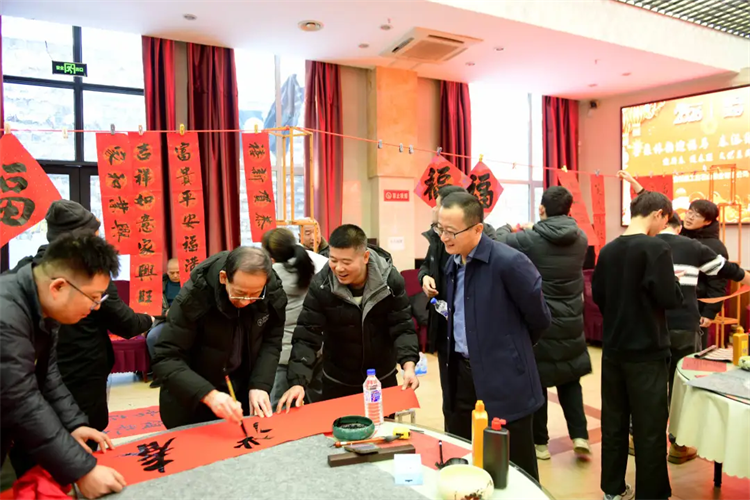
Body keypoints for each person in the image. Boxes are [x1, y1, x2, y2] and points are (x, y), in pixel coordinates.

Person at [5, 200, 153, 441]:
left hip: (50, 381)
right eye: (93, 299)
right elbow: (125, 323)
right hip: (82, 371)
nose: (96, 305)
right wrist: (150, 319)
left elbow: (46, 379)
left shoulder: (28, 270)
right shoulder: (85, 275)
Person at [1, 234, 127, 499]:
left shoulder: (40, 306)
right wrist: (82, 470)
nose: (95, 307)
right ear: (58, 287)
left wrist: (73, 424)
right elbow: (19, 400)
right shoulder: (6, 317)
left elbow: (46, 374)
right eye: (93, 297)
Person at [437, 192, 551, 481]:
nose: (444, 237)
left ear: (477, 228)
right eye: (440, 229)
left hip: (504, 378)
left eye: (451, 231)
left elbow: (539, 318)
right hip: (461, 376)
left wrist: (510, 349)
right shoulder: (452, 263)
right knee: (467, 458)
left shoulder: (509, 263)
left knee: (515, 468)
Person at [593, 190, 683, 500]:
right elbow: (669, 297)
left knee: (614, 423)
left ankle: (613, 490)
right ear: (658, 214)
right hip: (647, 351)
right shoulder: (656, 248)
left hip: (614, 349)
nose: (663, 228)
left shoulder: (608, 250)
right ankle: (651, 494)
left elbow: (599, 296)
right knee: (650, 428)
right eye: (665, 221)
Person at [494, 186, 592, 460]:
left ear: (541, 208)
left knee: (537, 382)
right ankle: (580, 435)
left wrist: (510, 225)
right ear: (569, 209)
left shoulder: (531, 239)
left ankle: (540, 444)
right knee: (570, 379)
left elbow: (498, 239)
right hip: (572, 320)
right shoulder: (581, 238)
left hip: (541, 320)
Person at [278, 224, 420, 410]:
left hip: (381, 380)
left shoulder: (390, 282)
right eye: (333, 260)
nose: (338, 268)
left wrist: (408, 366)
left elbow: (402, 326)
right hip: (337, 380)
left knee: (382, 427)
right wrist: (298, 382)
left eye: (346, 262)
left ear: (365, 257)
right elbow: (307, 335)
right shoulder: (322, 285)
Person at [152, 247, 287, 429]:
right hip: (192, 398)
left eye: (255, 295)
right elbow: (165, 357)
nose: (245, 301)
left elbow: (271, 341)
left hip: (239, 394)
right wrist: (208, 394)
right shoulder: (195, 296)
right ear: (224, 278)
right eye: (239, 293)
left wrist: (260, 384)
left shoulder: (271, 293)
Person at [419, 185, 497, 430]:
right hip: (447, 329)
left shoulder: (494, 254)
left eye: (438, 205)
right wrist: (425, 277)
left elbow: (535, 317)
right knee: (452, 399)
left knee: (482, 406)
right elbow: (427, 265)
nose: (434, 210)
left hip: (477, 341)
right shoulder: (438, 238)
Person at [261, 227, 328, 409]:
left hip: (284, 354)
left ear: (270, 254)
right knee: (316, 406)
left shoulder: (270, 275)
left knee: (280, 408)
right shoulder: (312, 265)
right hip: (315, 349)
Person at [681, 199, 728, 348]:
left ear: (707, 222)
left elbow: (718, 282)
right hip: (674, 304)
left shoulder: (714, 246)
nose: (690, 217)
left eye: (697, 215)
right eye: (689, 212)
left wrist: (709, 312)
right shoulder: (678, 236)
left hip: (697, 307)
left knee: (693, 351)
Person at [145, 258, 182, 388]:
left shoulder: (191, 282)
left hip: (185, 321)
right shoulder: (159, 284)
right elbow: (151, 306)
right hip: (164, 320)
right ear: (167, 271)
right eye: (172, 273)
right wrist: (165, 313)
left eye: (178, 272)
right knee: (152, 337)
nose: (175, 275)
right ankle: (161, 374)